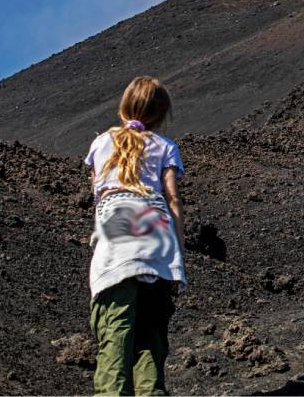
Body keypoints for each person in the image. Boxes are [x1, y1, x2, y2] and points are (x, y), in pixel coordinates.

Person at [85, 77, 186, 396]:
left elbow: (98, 194)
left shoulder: (101, 143)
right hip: (157, 239)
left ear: (124, 106)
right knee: (151, 332)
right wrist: (177, 261)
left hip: (117, 239)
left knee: (115, 330)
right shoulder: (166, 146)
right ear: (161, 114)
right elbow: (173, 201)